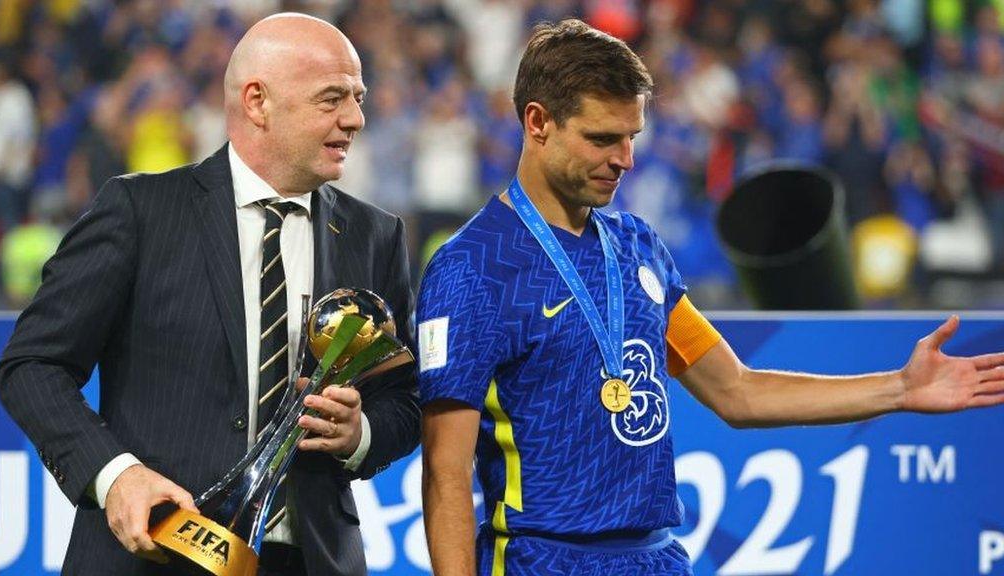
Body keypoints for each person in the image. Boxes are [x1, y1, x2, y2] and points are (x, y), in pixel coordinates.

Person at [415, 19, 1004, 576]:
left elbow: (737, 391)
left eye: (631, 136)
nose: (625, 159)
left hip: (657, 559)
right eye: (602, 139)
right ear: (538, 122)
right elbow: (445, 473)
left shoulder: (638, 248)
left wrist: (900, 387)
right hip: (543, 560)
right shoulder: (472, 269)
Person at [0, 13, 419, 576]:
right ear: (257, 101)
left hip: (310, 560)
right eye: (332, 98)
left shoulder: (376, 236)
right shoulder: (140, 212)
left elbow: (405, 401)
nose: (356, 118)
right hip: (154, 549)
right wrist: (115, 474)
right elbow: (31, 364)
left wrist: (359, 433)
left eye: (358, 97)